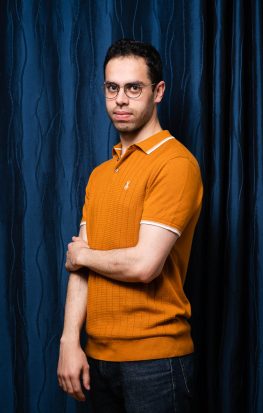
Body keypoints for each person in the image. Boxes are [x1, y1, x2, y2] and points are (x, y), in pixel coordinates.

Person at [57, 38, 203, 413]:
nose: (120, 99)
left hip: (155, 362)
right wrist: (69, 342)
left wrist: (85, 255)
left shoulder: (175, 164)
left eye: (133, 88)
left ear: (158, 92)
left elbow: (143, 266)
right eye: (112, 88)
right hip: (97, 360)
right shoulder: (100, 175)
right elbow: (79, 269)